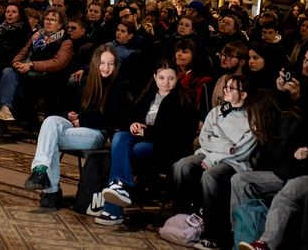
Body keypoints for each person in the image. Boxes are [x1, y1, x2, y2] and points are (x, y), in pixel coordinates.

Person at [24, 45, 127, 210]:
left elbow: (114, 120)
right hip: (77, 126)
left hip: (96, 133)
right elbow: (72, 107)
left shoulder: (118, 84)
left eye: (110, 64)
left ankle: (51, 192)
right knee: (50, 121)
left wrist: (83, 121)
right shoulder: (87, 80)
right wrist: (69, 115)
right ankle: (40, 170)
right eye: (102, 63)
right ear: (95, 63)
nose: (106, 68)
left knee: (50, 139)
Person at [97, 60, 197, 226]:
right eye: (162, 78)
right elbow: (125, 115)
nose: (166, 82)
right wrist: (132, 124)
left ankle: (113, 209)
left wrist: (148, 131)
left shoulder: (182, 101)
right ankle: (119, 188)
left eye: (171, 78)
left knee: (121, 153)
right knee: (119, 137)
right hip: (138, 138)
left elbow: (179, 133)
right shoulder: (147, 95)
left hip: (163, 147)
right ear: (155, 77)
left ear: (177, 78)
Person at [173, 74, 256, 250]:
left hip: (235, 163)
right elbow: (205, 139)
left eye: (231, 88)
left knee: (210, 176)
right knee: (182, 166)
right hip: (208, 154)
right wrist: (224, 148)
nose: (226, 90)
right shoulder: (216, 112)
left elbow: (241, 150)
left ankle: (211, 236)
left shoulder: (252, 118)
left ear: (243, 94)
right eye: (226, 87)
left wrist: (215, 158)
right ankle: (179, 221)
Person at [232, 90, 308, 250]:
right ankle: (242, 234)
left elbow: (281, 155)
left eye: (254, 114)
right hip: (285, 172)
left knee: (283, 198)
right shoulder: (272, 125)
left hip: (306, 174)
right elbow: (270, 163)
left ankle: (265, 244)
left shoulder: (291, 120)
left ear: (263, 111)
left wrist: (263, 133)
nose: (252, 119)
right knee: (239, 180)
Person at [0, 9, 74, 124]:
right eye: (47, 19)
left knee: (8, 87)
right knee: (8, 71)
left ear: (60, 24)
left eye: (53, 20)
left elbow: (57, 63)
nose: (48, 22)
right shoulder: (37, 35)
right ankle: (5, 110)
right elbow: (24, 52)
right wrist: (16, 63)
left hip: (46, 80)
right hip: (28, 75)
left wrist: (31, 65)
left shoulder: (65, 41)